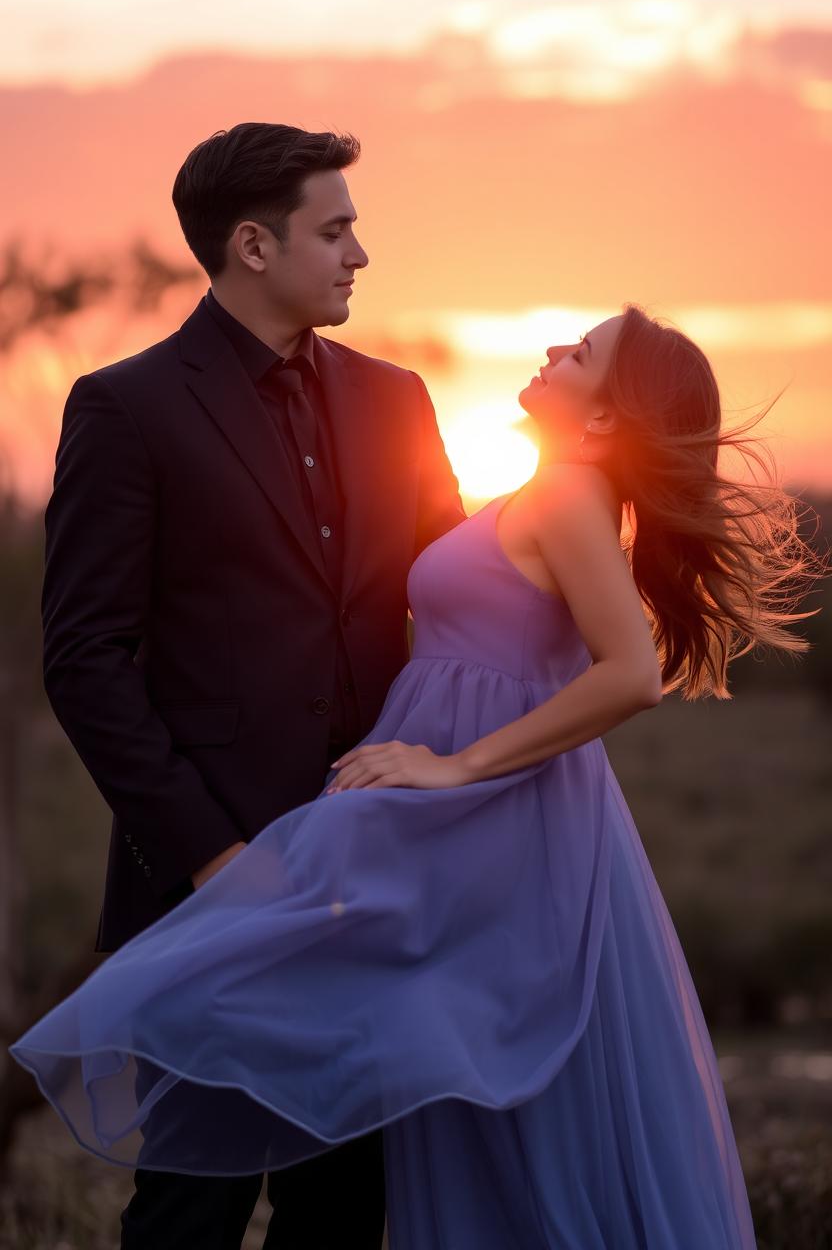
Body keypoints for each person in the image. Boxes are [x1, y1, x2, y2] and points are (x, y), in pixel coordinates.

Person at [11, 304, 820, 1248]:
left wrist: (455, 766)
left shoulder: (564, 492)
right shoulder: (543, 493)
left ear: (604, 418)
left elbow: (632, 673)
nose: (555, 350)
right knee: (429, 1102)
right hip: (448, 810)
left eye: (582, 353)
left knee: (306, 1024)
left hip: (474, 807)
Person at [24, 122, 465, 1250]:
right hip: (204, 892)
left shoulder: (398, 400)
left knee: (342, 1208)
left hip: (370, 878)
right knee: (190, 1204)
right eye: (337, 228)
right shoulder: (125, 406)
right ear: (254, 246)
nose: (360, 252)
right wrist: (215, 855)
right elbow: (84, 656)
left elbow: (457, 610)